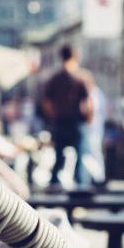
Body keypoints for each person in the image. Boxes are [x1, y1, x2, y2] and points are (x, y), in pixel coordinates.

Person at [41, 45, 94, 187]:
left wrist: (54, 117)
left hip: (60, 122)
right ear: (75, 56)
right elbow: (89, 102)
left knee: (59, 157)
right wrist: (89, 119)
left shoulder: (54, 79)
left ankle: (53, 186)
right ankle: (80, 189)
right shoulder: (83, 77)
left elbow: (47, 103)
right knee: (80, 156)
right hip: (77, 122)